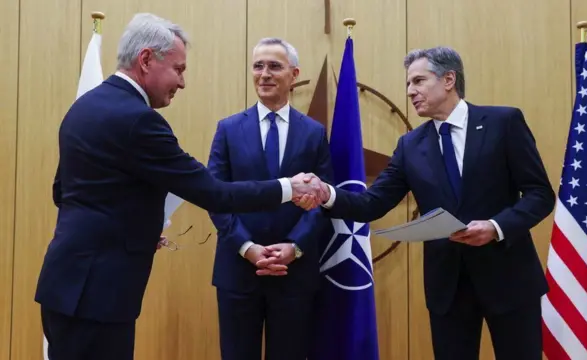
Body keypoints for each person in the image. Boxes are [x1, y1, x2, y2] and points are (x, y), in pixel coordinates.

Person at [34, 13, 325, 360]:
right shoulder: (139, 120)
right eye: (179, 69)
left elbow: (63, 192)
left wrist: (136, 227)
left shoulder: (83, 107)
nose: (182, 82)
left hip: (63, 285)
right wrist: (290, 188)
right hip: (99, 293)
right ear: (146, 60)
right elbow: (213, 192)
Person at [296, 46, 555, 359]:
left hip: (509, 279)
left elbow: (540, 194)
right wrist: (328, 194)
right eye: (408, 84)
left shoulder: (504, 122)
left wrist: (496, 226)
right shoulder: (410, 145)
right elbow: (372, 204)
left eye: (418, 81)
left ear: (448, 79)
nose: (410, 91)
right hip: (448, 289)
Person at [207, 37, 333, 360]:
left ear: (294, 74)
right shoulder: (228, 129)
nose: (264, 74)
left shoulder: (314, 133)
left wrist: (296, 246)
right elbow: (216, 197)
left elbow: (323, 200)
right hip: (238, 269)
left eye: (274, 66)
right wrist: (247, 248)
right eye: (258, 66)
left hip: (295, 273)